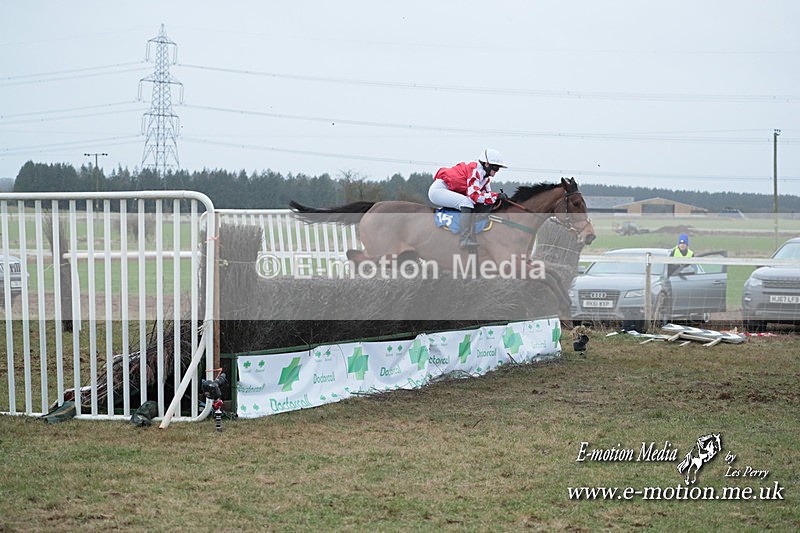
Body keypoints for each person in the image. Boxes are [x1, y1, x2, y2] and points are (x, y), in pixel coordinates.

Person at [428, 148, 507, 248]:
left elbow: (488, 195)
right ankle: (464, 239)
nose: (496, 172)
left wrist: (499, 198)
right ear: (486, 164)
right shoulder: (475, 170)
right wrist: (495, 196)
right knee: (467, 202)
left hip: (448, 190)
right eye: (495, 168)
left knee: (473, 202)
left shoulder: (485, 178)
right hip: (439, 190)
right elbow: (475, 196)